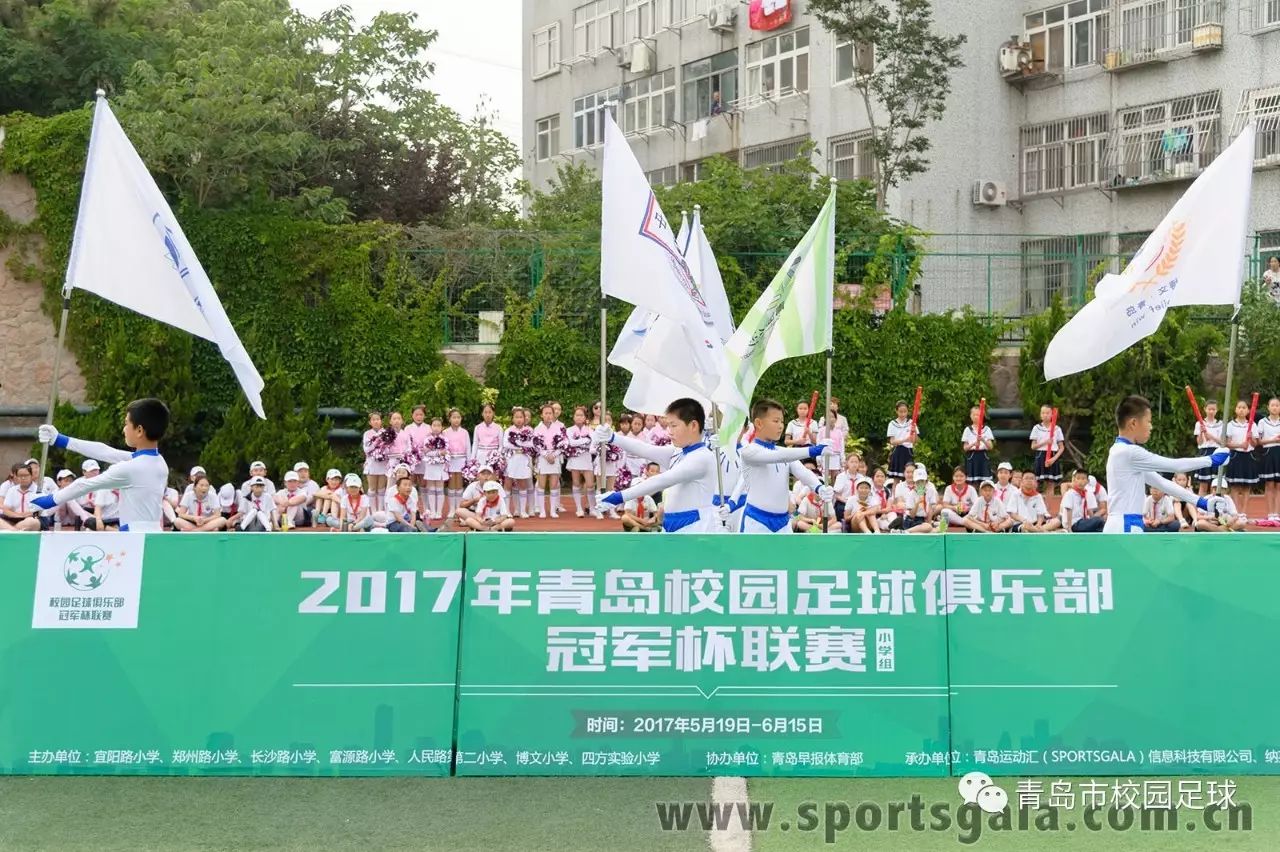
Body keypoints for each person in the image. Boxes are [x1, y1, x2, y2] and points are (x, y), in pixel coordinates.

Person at [32, 398, 172, 533]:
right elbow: (106, 452)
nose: (124, 429)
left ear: (139, 430)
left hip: (135, 538)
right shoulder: (159, 462)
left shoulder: (129, 469)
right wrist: (61, 440)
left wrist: (47, 501)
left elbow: (83, 485)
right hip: (153, 533)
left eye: (126, 424)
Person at [1103, 395, 1228, 533]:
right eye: (1148, 421)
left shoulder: (1120, 451)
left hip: (1124, 524)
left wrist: (1201, 502)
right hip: (1126, 525)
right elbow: (1175, 466)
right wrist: (1212, 460)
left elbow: (1162, 483)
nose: (1151, 427)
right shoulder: (1129, 452)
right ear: (1133, 423)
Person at [597, 398, 723, 533]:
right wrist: (613, 438)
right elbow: (645, 449)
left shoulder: (702, 458)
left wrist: (618, 497)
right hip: (671, 525)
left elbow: (661, 481)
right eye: (668, 426)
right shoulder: (678, 452)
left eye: (674, 426)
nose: (670, 432)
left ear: (693, 425)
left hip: (695, 527)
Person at [732, 399, 831, 534]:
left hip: (783, 523)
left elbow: (803, 472)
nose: (780, 426)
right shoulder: (749, 452)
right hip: (756, 521)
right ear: (759, 423)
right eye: (776, 421)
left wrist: (819, 488)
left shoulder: (782, 452)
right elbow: (780, 456)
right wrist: (815, 450)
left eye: (782, 422)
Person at [1222, 399, 1257, 518]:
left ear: (1248, 410)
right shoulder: (1230, 425)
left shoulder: (1252, 425)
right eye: (1239, 407)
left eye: (1244, 408)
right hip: (1235, 456)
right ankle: (1236, 512)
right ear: (1235, 409)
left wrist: (1251, 438)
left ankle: (1243, 512)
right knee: (1235, 486)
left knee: (1247, 486)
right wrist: (1240, 445)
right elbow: (1226, 443)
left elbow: (1255, 444)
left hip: (1248, 456)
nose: (1241, 410)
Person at [565, 405, 600, 519]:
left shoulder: (590, 430)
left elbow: (593, 443)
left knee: (590, 484)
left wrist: (584, 442)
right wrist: (585, 440)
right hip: (575, 458)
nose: (579, 417)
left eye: (581, 415)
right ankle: (579, 509)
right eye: (577, 415)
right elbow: (571, 443)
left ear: (585, 417)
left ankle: (592, 508)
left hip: (586, 458)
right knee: (576, 483)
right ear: (574, 417)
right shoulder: (569, 430)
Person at [533, 403, 565, 518]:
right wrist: (546, 455)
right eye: (546, 413)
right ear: (541, 415)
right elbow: (536, 445)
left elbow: (563, 443)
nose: (548, 415)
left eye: (550, 413)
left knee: (554, 485)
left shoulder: (559, 428)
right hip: (543, 458)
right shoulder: (537, 429)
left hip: (555, 458)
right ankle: (542, 511)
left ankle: (552, 511)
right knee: (541, 485)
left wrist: (554, 454)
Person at [503, 407, 535, 519]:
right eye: (516, 417)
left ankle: (522, 511)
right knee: (508, 483)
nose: (519, 419)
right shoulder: (508, 430)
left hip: (523, 459)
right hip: (511, 459)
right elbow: (506, 444)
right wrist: (520, 444)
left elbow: (531, 444)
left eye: (521, 417)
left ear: (524, 418)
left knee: (522, 483)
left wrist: (518, 444)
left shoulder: (529, 430)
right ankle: (506, 510)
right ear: (512, 418)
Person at [1030, 404, 1065, 495]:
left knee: (1050, 483)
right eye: (1043, 413)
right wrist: (1045, 442)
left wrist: (1053, 459)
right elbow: (1033, 446)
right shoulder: (1036, 428)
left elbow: (1061, 447)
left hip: (1053, 456)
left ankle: (1049, 502)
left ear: (1052, 414)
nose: (1045, 415)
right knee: (1036, 483)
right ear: (1040, 415)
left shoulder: (1057, 429)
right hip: (1040, 456)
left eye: (1047, 413)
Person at [1255, 397, 1280, 522]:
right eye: (1273, 405)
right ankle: (1270, 513)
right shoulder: (1262, 422)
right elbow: (1258, 441)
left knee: (1279, 485)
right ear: (1268, 407)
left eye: (1277, 405)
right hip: (1268, 453)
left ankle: (1277, 513)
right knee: (1269, 484)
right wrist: (1272, 440)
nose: (1275, 408)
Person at [620, 462, 662, 532]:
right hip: (636, 520)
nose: (655, 473)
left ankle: (654, 527)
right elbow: (627, 513)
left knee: (661, 515)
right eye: (652, 471)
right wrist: (641, 521)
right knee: (625, 517)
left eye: (657, 471)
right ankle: (641, 528)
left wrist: (653, 518)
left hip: (648, 520)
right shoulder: (631, 498)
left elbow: (656, 512)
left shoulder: (648, 497)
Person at [1193, 399, 1223, 496]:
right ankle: (1201, 504)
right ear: (1205, 409)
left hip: (1216, 452)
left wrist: (1211, 436)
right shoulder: (1199, 423)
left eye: (1213, 409)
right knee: (1203, 484)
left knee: (1214, 484)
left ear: (1217, 410)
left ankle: (1213, 504)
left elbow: (1222, 442)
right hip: (1204, 452)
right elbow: (1199, 442)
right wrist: (1201, 432)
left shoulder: (1220, 424)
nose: (1211, 411)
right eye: (1209, 409)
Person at [1, 463, 43, 531]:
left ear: (31, 476)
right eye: (20, 476)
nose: (23, 478)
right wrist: (17, 515)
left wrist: (24, 516)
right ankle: (15, 531)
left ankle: (12, 531)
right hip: (13, 519)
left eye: (26, 475)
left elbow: (37, 512)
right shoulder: (12, 490)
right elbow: (6, 510)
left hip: (30, 520)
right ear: (16, 477)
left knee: (33, 522)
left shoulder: (38, 491)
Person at [961, 406, 996, 482]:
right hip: (972, 457)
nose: (976, 417)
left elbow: (990, 447)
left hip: (983, 456)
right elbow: (965, 448)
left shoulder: (987, 429)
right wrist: (974, 444)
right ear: (970, 416)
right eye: (974, 415)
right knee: (972, 481)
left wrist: (983, 440)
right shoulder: (967, 430)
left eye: (978, 415)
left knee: (985, 481)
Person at [423, 417, 447, 520]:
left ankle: (439, 511)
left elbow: (446, 451)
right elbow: (426, 452)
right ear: (431, 427)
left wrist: (439, 453)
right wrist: (438, 453)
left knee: (440, 488)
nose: (436, 428)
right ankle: (432, 511)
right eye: (434, 425)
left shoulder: (445, 439)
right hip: (430, 465)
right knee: (431, 488)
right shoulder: (427, 439)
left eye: (438, 425)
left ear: (442, 427)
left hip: (440, 465)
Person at [886, 400, 915, 482]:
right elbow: (892, 441)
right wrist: (905, 440)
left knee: (910, 477)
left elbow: (914, 440)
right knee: (896, 479)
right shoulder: (892, 424)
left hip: (908, 452)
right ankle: (896, 491)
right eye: (900, 411)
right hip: (897, 452)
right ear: (896, 411)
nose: (903, 414)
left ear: (908, 411)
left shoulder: (912, 423)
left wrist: (914, 431)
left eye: (905, 411)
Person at [362, 411, 387, 508]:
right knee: (372, 488)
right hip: (371, 463)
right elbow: (366, 449)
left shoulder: (386, 433)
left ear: (381, 421)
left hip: (383, 463)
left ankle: (380, 510)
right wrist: (376, 442)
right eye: (373, 420)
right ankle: (372, 510)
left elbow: (388, 448)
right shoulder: (367, 434)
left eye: (378, 419)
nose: (376, 421)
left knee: (381, 488)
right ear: (370, 422)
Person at [901, 467, 937, 533]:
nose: (920, 484)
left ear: (926, 482)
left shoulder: (930, 491)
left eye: (922, 481)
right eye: (918, 482)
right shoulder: (911, 494)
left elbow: (931, 509)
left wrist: (929, 523)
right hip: (911, 520)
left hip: (923, 520)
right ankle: (905, 531)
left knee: (935, 530)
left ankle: (914, 532)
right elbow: (912, 515)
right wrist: (918, 502)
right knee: (928, 527)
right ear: (914, 482)